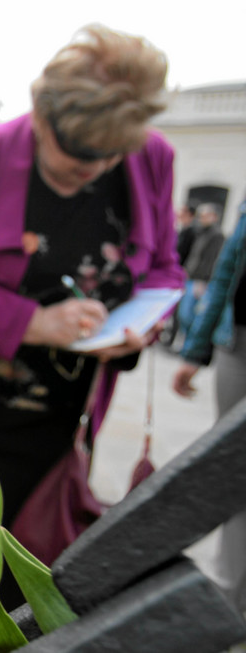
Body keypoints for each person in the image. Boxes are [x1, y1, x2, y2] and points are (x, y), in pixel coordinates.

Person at [0, 24, 183, 540]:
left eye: (108, 157)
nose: (92, 169)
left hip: (70, 419)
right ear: (40, 111)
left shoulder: (152, 159)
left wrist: (136, 325)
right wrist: (37, 323)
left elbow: (165, 268)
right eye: (77, 156)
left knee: (36, 566)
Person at [173, 200, 246, 613]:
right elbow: (226, 274)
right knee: (236, 469)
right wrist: (194, 349)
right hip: (238, 344)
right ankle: (230, 594)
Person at [175, 203, 226, 345]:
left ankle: (190, 344)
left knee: (189, 314)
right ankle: (185, 342)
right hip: (190, 277)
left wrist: (203, 280)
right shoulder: (201, 233)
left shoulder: (217, 236)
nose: (201, 219)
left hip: (199, 280)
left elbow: (210, 261)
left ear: (214, 217)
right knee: (184, 313)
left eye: (204, 216)